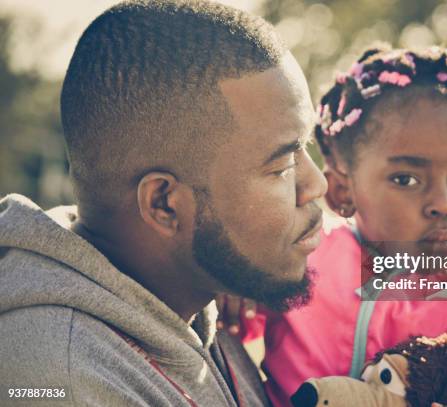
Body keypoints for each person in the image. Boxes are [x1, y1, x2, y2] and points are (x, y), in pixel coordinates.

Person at [0, 1, 327, 406]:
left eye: (306, 147)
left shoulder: (198, 296)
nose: (318, 184)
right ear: (164, 205)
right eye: (282, 166)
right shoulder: (61, 384)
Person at [231, 45, 447, 406]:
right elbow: (237, 304)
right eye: (406, 179)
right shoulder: (304, 257)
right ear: (341, 190)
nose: (444, 204)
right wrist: (233, 288)